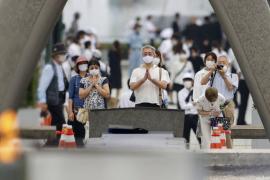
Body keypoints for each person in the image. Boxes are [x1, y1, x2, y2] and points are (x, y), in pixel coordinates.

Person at [200, 55, 239, 148]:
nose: (221, 64)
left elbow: (230, 88)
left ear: (228, 64)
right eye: (219, 63)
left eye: (223, 63)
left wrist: (224, 76)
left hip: (227, 104)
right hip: (215, 104)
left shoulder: (233, 75)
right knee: (216, 129)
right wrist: (211, 70)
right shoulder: (213, 75)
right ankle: (216, 148)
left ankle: (229, 150)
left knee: (227, 130)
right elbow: (202, 82)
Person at [37, 43, 68, 146]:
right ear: (56, 55)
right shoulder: (49, 68)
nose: (63, 56)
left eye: (64, 53)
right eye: (62, 54)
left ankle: (52, 143)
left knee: (56, 122)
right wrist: (42, 101)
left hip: (59, 98)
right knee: (61, 122)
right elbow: (42, 87)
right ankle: (52, 142)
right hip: (52, 99)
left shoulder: (60, 67)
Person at [67, 56, 88, 147]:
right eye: (80, 63)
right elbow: (70, 97)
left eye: (85, 63)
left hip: (87, 110)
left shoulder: (92, 78)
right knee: (77, 132)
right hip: (76, 110)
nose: (83, 65)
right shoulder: (74, 79)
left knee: (83, 131)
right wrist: (70, 112)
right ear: (77, 66)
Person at [178, 73, 201, 148]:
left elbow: (199, 104)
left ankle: (202, 150)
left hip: (195, 116)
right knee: (185, 136)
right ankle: (186, 151)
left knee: (199, 136)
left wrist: (191, 105)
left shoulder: (196, 91)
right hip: (186, 117)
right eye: (185, 80)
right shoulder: (180, 92)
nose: (187, 82)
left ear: (192, 81)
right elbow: (182, 106)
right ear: (183, 81)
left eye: (189, 80)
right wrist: (192, 104)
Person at [167, 41, 194, 105]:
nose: (182, 55)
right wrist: (171, 83)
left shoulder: (189, 63)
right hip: (177, 83)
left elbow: (192, 73)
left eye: (183, 54)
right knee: (179, 100)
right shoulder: (175, 63)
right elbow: (172, 74)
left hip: (186, 83)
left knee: (186, 100)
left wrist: (193, 82)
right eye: (181, 54)